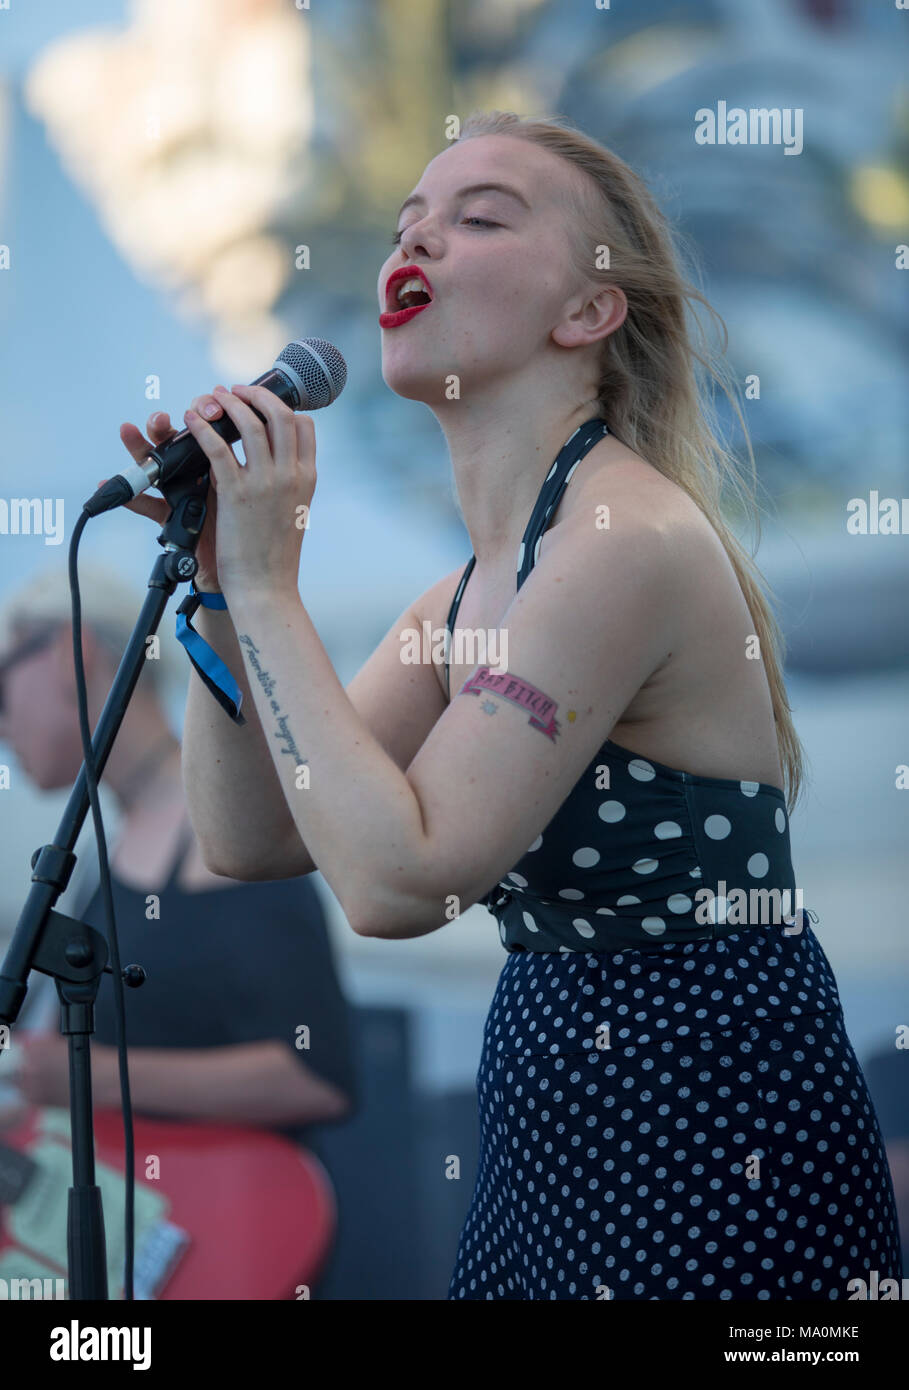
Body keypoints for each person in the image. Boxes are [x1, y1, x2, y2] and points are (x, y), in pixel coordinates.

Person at [116, 110, 902, 1301]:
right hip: (550, 1108)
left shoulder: (621, 538)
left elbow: (397, 883)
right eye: (406, 223)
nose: (417, 241)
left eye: (479, 218)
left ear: (587, 312)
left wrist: (276, 587)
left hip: (708, 1121)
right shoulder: (466, 594)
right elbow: (252, 834)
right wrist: (226, 585)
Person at [0, 564, 356, 1177]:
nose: (2, 728)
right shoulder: (115, 853)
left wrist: (89, 1075)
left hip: (233, 1244)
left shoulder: (225, 831)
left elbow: (316, 1075)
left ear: (71, 653)